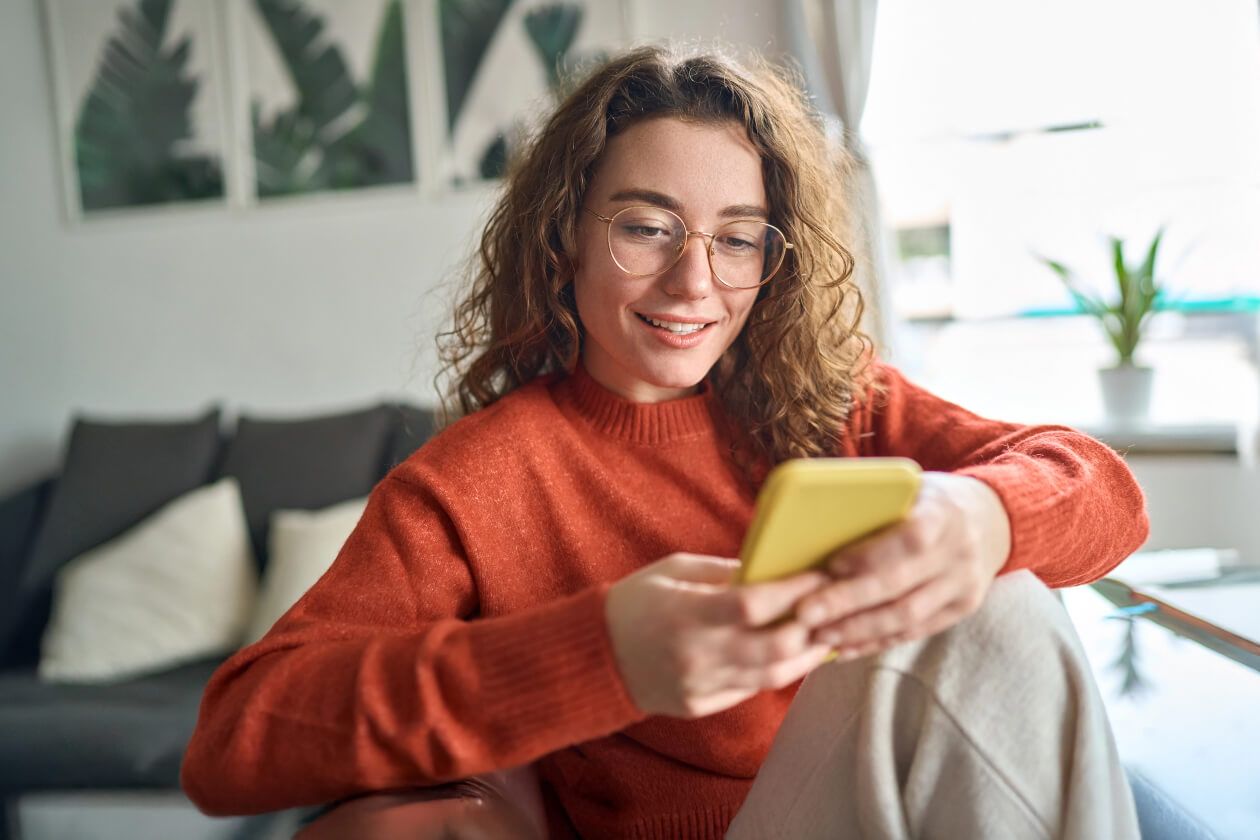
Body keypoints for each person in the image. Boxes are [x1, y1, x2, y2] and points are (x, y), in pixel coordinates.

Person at [181, 45, 1148, 839]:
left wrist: (980, 518)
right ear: (562, 238)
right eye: (647, 227)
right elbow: (233, 741)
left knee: (1006, 599)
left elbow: (1105, 492)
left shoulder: (834, 403)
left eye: (737, 239)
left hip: (856, 808)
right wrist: (602, 655)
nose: (695, 283)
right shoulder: (475, 481)